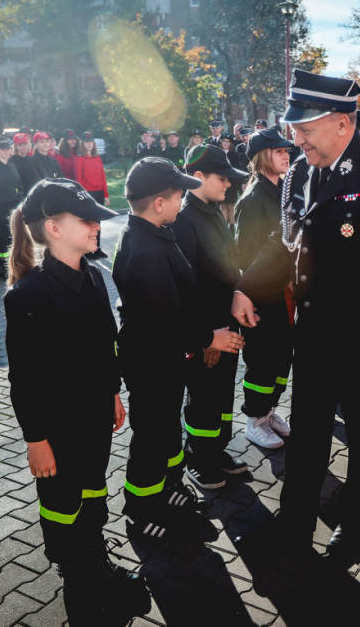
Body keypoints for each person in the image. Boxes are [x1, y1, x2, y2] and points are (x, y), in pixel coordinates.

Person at [232, 69, 360, 559]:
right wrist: (245, 287)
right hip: (316, 331)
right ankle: (294, 524)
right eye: (293, 129)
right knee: (308, 435)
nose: (296, 139)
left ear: (343, 123)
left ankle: (356, 524)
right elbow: (287, 243)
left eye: (306, 129)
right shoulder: (299, 172)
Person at [3, 178, 150, 624]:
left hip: (92, 418)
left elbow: (106, 345)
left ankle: (92, 556)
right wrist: (36, 440)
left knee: (91, 492)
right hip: (57, 428)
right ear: (53, 228)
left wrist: (111, 392)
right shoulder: (28, 295)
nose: (95, 228)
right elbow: (24, 379)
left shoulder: (91, 276)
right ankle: (79, 578)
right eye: (85, 221)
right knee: (62, 502)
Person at [112, 157, 244, 538]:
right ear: (158, 203)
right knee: (152, 440)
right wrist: (209, 338)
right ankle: (142, 507)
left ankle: (167, 490)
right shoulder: (147, 251)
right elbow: (164, 320)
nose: (182, 201)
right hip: (152, 363)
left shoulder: (153, 233)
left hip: (164, 360)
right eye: (177, 195)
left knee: (167, 436)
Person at [173, 145, 250, 488]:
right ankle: (199, 457)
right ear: (198, 177)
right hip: (207, 331)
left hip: (226, 324)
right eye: (222, 178)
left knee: (221, 395)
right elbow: (187, 288)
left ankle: (216, 449)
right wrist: (206, 336)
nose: (228, 185)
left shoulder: (213, 210)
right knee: (203, 396)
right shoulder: (185, 220)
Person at [234, 128, 295, 450]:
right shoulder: (253, 200)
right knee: (262, 361)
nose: (286, 155)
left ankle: (269, 411)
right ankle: (253, 419)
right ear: (261, 158)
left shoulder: (284, 190)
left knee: (282, 358)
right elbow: (245, 254)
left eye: (287, 150)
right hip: (262, 295)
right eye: (277, 151)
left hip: (286, 294)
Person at [0, 137, 24, 275]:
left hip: (13, 206)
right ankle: (1, 268)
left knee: (12, 237)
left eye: (8, 148)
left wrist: (20, 201)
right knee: (0, 239)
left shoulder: (12, 166)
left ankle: (12, 265)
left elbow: (19, 186)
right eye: (2, 149)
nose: (6, 151)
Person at [73, 132, 110, 260]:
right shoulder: (79, 158)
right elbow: (78, 178)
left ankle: (97, 248)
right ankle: (87, 250)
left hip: (99, 192)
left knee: (97, 223)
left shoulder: (97, 158)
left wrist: (106, 194)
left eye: (91, 141)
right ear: (82, 143)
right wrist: (83, 196)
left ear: (93, 143)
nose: (89, 143)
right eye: (86, 141)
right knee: (88, 223)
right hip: (88, 193)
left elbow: (102, 177)